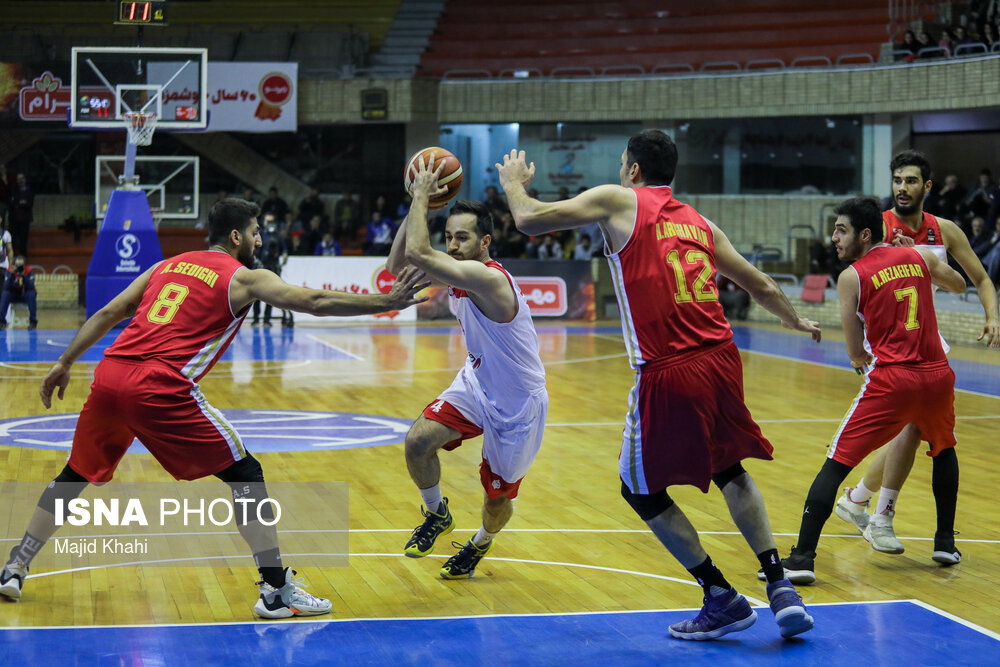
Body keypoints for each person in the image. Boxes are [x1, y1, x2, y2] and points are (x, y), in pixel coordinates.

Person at [0, 198, 428, 616]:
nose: (260, 241)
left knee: (73, 475)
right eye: (256, 232)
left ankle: (16, 565)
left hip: (111, 375)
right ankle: (277, 590)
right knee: (245, 473)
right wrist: (386, 302)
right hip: (159, 385)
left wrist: (64, 361)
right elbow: (313, 301)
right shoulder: (243, 277)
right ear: (237, 235)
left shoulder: (165, 266)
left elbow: (112, 310)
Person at [497, 131, 820, 641]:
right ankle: (780, 586)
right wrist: (796, 320)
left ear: (632, 170)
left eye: (624, 163)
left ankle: (721, 596)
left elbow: (528, 219)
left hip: (669, 368)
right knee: (729, 467)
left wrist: (514, 184)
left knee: (638, 488)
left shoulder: (618, 200)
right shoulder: (699, 222)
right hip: (722, 357)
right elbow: (759, 284)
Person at [769, 196, 966, 584]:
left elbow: (855, 350)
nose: (833, 238)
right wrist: (919, 260)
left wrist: (861, 358)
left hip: (893, 379)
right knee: (943, 448)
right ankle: (944, 541)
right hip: (937, 375)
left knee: (837, 459)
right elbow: (959, 284)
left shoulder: (851, 277)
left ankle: (803, 557)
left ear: (863, 234)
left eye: (841, 230)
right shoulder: (920, 258)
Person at [387, 156, 548, 581]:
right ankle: (437, 513)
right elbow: (398, 264)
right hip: (477, 384)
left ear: (485, 244)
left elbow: (420, 252)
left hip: (517, 405)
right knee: (418, 442)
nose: (453, 245)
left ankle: (479, 543)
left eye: (462, 237)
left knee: (496, 500)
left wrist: (422, 195)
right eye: (449, 237)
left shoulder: (490, 280)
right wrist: (415, 207)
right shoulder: (461, 274)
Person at [834, 151, 999, 564]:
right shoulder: (878, 227)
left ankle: (860, 501)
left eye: (910, 181)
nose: (901, 188)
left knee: (911, 428)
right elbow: (850, 274)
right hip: (886, 342)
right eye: (896, 180)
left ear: (927, 187)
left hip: (925, 338)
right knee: (911, 425)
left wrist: (993, 317)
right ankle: (877, 512)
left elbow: (978, 280)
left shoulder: (944, 231)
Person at [0, 255, 38, 330]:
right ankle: (1, 321)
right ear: (14, 265)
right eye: (17, 265)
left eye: (21, 265)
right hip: (13, 294)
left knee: (32, 294)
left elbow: (31, 285)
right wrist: (11, 275)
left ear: (24, 265)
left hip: (25, 294)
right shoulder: (10, 270)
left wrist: (24, 276)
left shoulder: (29, 270)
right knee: (5, 294)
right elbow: (6, 286)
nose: (19, 267)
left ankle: (33, 321)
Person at [9, 173, 33, 256]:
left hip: (25, 219)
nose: (20, 180)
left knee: (23, 239)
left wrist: (19, 204)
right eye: (18, 178)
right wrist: (20, 203)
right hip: (15, 219)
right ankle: (15, 257)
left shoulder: (29, 190)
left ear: (25, 179)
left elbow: (29, 203)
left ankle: (23, 256)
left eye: (22, 178)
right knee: (15, 239)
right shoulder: (14, 190)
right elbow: (12, 202)